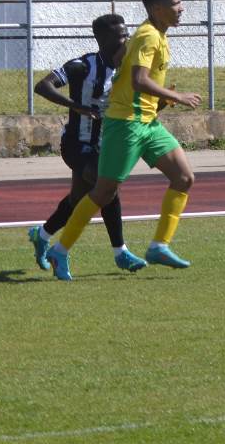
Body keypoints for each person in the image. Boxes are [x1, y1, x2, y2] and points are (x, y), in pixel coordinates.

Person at [42, 0, 200, 279]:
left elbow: (122, 71)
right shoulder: (148, 36)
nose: (182, 8)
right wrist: (176, 96)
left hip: (147, 123)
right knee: (102, 193)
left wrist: (160, 99)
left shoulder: (154, 34)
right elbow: (139, 80)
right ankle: (59, 250)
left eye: (181, 2)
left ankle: (158, 246)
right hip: (125, 124)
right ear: (157, 9)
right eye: (176, 3)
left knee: (184, 177)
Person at [26, 14, 146, 274]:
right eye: (120, 36)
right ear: (102, 39)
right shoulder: (83, 66)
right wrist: (76, 107)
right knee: (107, 185)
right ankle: (120, 252)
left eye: (127, 35)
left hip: (106, 144)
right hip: (76, 144)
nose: (125, 40)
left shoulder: (128, 70)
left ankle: (43, 235)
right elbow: (42, 85)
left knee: (79, 199)